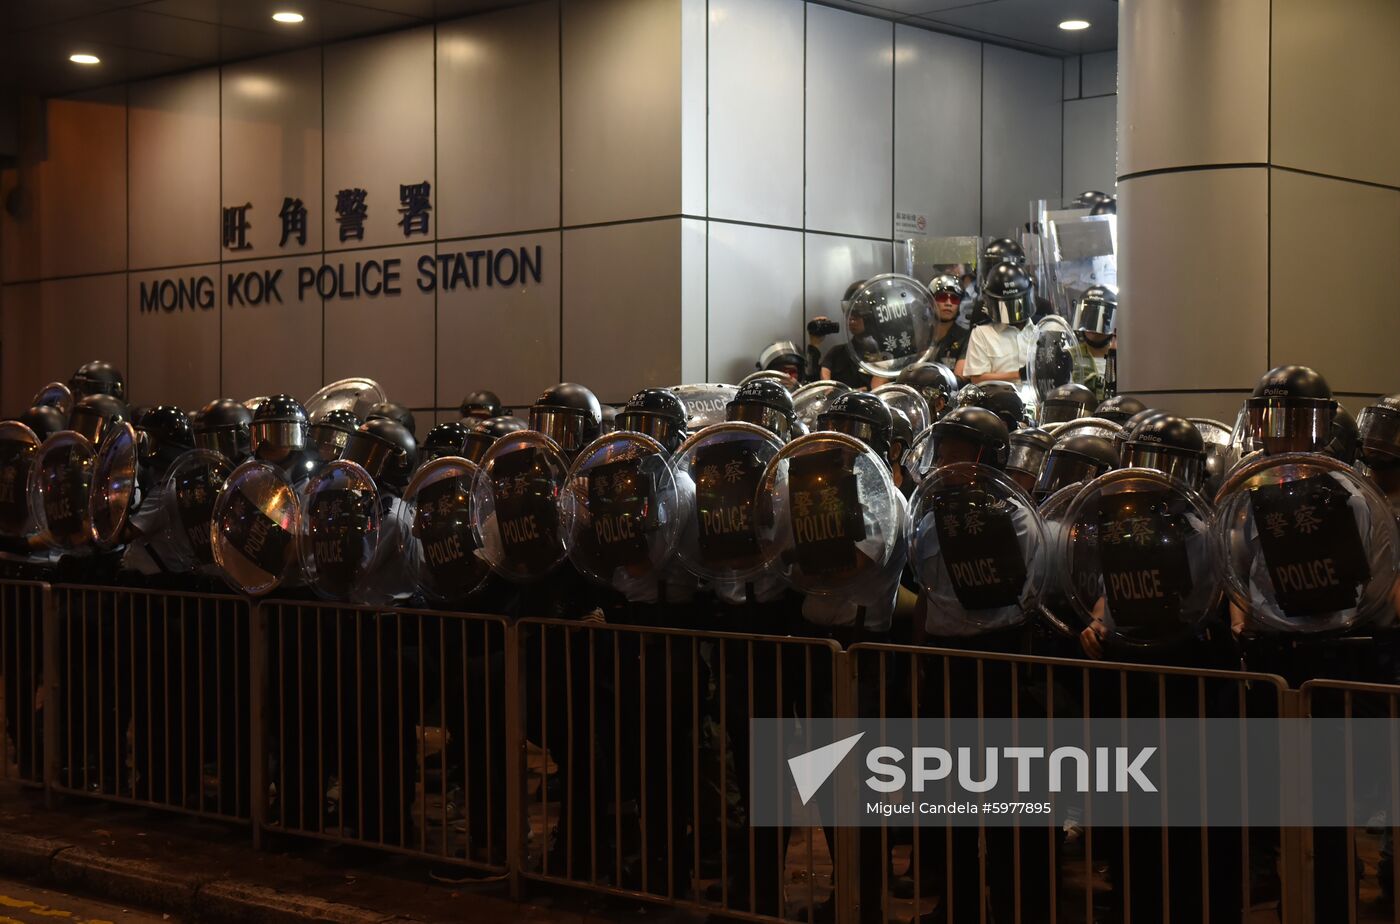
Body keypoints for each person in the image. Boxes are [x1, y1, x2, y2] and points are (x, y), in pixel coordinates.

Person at [957, 262, 1036, 383]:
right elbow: (977, 378)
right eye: (1007, 305)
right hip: (1000, 398)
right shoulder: (982, 333)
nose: (1013, 311)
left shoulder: (1042, 330)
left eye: (1017, 303)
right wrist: (1019, 375)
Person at [927, 274, 970, 368]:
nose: (948, 303)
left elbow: (960, 377)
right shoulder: (920, 335)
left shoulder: (965, 338)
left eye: (954, 299)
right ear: (931, 301)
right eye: (942, 298)